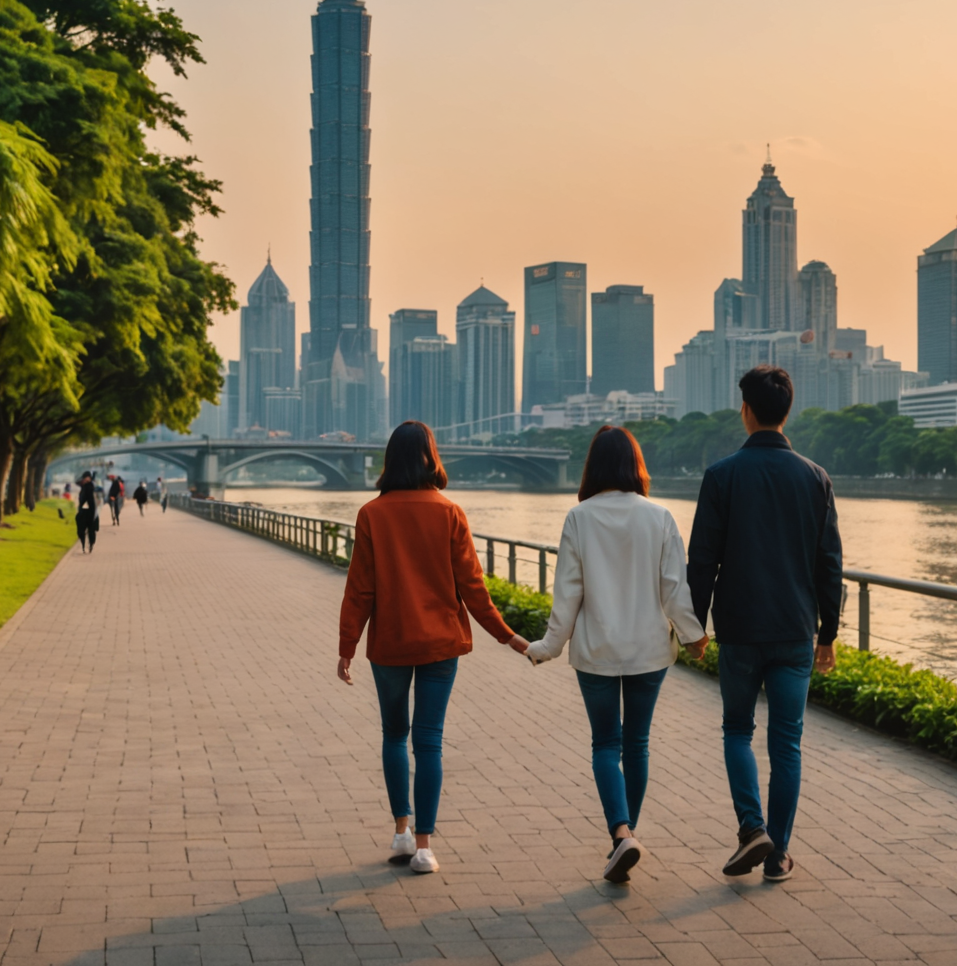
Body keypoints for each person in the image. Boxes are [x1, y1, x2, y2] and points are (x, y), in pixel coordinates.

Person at [337, 421, 531, 874]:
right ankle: (424, 847)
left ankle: (401, 832)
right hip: (441, 643)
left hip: (389, 642)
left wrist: (347, 645)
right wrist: (508, 636)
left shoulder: (371, 514)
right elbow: (473, 588)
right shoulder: (450, 512)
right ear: (431, 457)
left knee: (393, 735)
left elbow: (360, 588)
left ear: (390, 460)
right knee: (429, 741)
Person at [526, 427, 708, 884]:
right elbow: (674, 588)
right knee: (637, 743)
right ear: (636, 465)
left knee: (606, 744)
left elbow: (567, 593)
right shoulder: (659, 516)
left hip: (597, 651)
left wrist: (548, 647)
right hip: (649, 650)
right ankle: (626, 837)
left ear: (593, 467)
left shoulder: (579, 518)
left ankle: (622, 835)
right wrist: (694, 636)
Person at [687, 365, 843, 883]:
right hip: (795, 629)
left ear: (746, 411)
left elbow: (701, 561)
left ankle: (752, 827)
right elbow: (829, 565)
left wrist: (695, 627)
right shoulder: (816, 477)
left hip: (739, 629)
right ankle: (778, 856)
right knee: (787, 742)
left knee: (737, 729)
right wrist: (828, 633)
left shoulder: (721, 475)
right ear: (787, 412)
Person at [74, 472, 100, 553]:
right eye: (84, 478)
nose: (84, 479)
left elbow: (96, 499)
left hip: (91, 511)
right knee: (81, 529)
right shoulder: (84, 486)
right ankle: (84, 545)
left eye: (86, 478)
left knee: (91, 530)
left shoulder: (92, 486)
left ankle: (90, 545)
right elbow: (77, 481)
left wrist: (91, 479)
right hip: (84, 511)